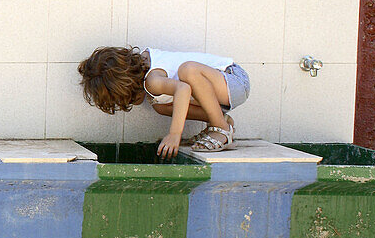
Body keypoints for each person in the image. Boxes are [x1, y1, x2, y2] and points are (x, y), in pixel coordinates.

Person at [77, 46, 250, 158]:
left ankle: (222, 128)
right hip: (222, 90)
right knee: (160, 106)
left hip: (234, 80)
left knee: (188, 71)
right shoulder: (145, 66)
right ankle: (221, 120)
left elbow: (183, 89)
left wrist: (175, 134)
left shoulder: (152, 80)